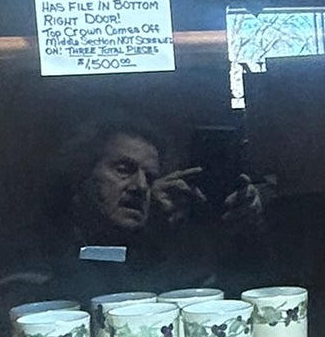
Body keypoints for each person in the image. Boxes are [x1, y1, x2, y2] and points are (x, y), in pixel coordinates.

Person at [14, 116, 272, 308]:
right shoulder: (39, 242)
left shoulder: (156, 244)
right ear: (82, 173)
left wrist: (246, 231)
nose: (140, 187)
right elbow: (94, 285)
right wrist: (150, 238)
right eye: (123, 169)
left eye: (150, 178)